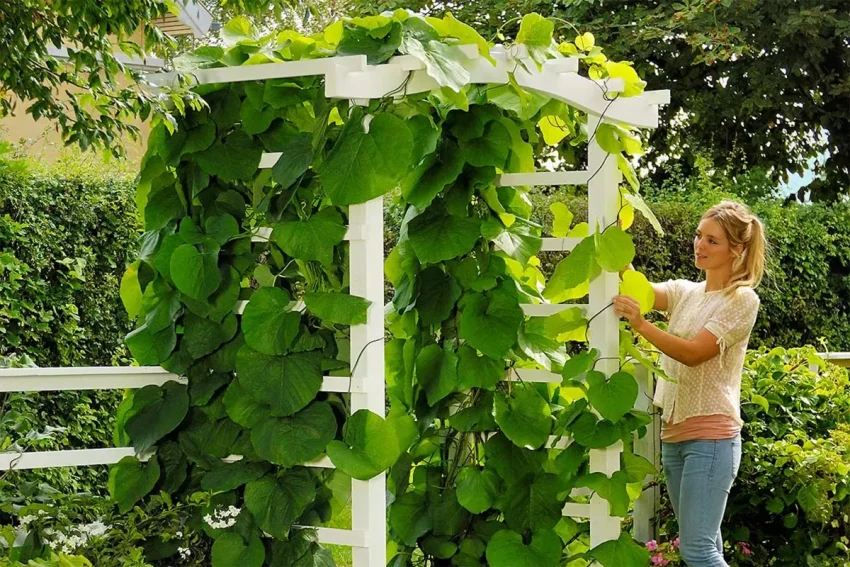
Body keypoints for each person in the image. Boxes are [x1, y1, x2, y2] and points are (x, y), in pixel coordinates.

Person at [613, 200, 766, 567]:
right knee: (704, 547)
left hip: (711, 438)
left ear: (737, 249)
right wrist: (614, 237)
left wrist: (642, 326)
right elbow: (637, 288)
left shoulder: (742, 300)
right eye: (699, 236)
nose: (700, 245)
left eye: (712, 241)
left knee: (698, 552)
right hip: (675, 438)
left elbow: (695, 353)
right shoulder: (686, 292)